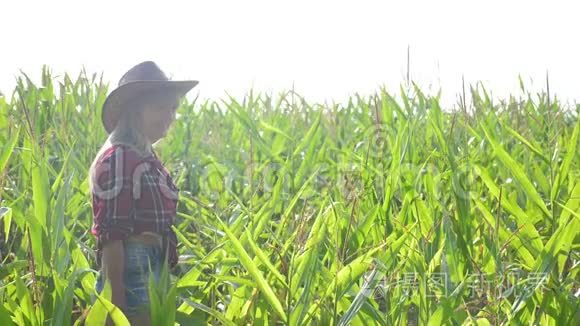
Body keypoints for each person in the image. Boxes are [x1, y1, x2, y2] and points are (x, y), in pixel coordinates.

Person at [89, 61, 198, 325]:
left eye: (172, 108)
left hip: (153, 269)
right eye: (160, 108)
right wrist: (116, 301)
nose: (169, 116)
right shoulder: (118, 158)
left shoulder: (145, 158)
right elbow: (111, 236)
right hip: (131, 272)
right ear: (135, 112)